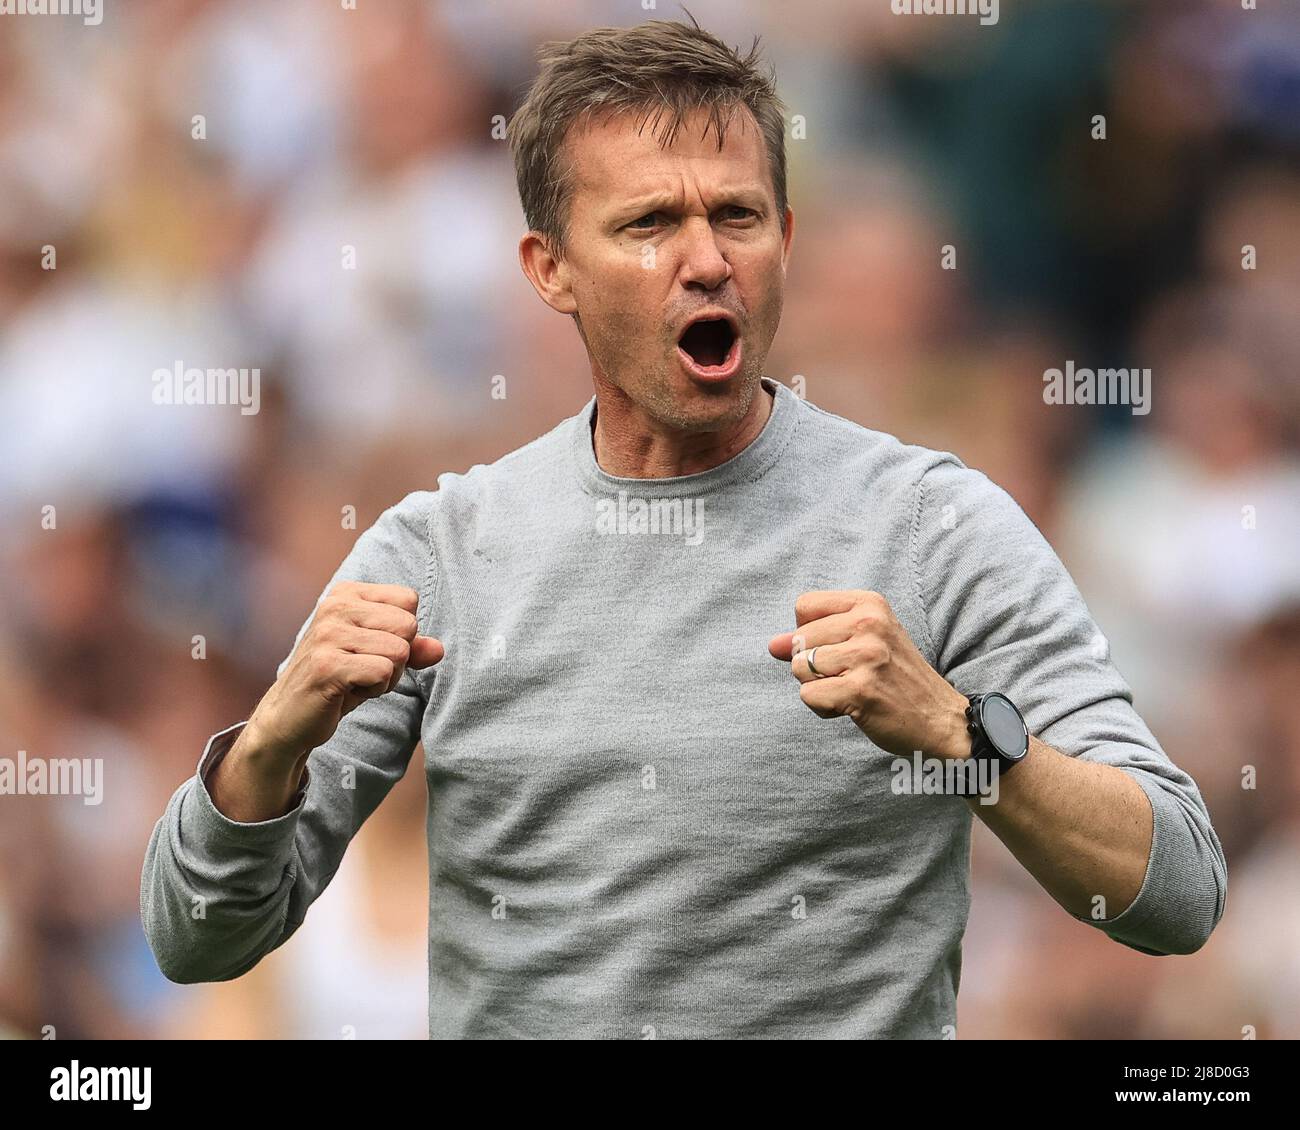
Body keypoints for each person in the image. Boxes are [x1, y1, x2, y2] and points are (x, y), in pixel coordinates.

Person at [141, 16, 1227, 1039]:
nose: (706, 258)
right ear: (549, 269)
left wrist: (960, 735)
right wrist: (273, 737)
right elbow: (198, 938)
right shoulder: (442, 552)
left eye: (738, 216)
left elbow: (1175, 887)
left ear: (786, 239)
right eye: (649, 223)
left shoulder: (935, 526)